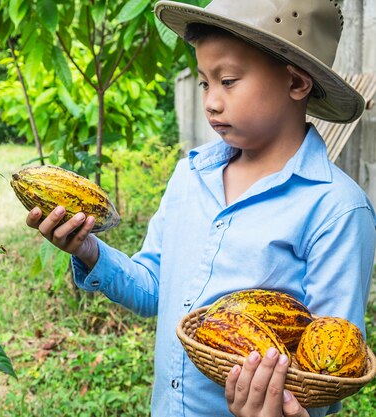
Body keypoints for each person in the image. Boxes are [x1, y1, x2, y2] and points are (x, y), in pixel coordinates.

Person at [25, 0, 376, 416]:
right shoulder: (189, 177)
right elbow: (154, 286)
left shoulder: (336, 210)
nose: (211, 101)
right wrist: (86, 249)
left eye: (227, 80)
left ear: (297, 83)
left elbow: (330, 365)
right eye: (204, 84)